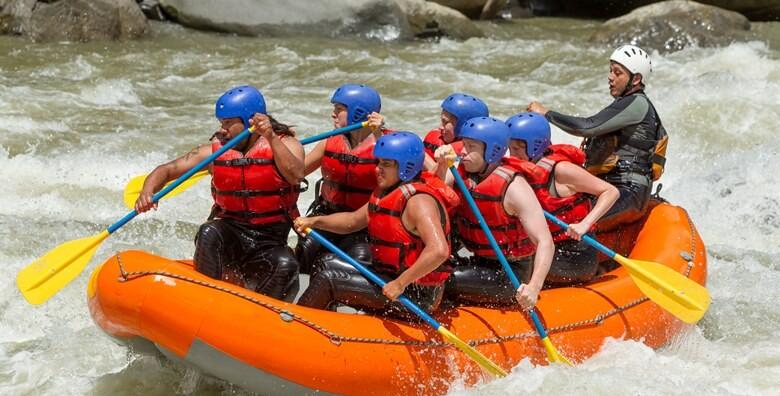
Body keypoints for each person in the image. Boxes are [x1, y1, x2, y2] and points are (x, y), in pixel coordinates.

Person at [134, 85, 305, 301]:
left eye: (228, 123)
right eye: (220, 123)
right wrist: (147, 191)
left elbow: (296, 174)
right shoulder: (216, 151)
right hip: (230, 233)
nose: (222, 130)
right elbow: (167, 170)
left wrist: (270, 136)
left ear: (250, 121)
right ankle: (202, 301)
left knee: (286, 265)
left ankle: (259, 321)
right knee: (209, 232)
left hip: (269, 240)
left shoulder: (286, 144)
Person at [294, 132, 459, 320]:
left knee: (329, 280)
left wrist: (400, 283)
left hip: (417, 294)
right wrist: (315, 222)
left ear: (407, 167)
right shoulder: (386, 192)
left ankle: (296, 325)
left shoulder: (418, 202)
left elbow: (439, 251)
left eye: (386, 164)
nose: (378, 169)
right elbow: (352, 221)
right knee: (325, 262)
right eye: (378, 162)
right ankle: (323, 324)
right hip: (389, 277)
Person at [527, 45, 668, 230]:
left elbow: (587, 127)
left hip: (627, 191)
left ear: (636, 79)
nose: (610, 77)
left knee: (566, 215)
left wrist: (546, 113)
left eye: (617, 73)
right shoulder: (624, 104)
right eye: (610, 71)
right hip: (612, 188)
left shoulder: (637, 104)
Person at [433, 117, 554, 310]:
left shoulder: (514, 188)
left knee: (438, 280)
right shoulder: (461, 170)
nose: (462, 152)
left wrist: (533, 287)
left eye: (471, 147)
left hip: (509, 275)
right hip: (478, 260)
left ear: (493, 151)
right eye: (463, 144)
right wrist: (440, 164)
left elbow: (545, 242)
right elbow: (434, 192)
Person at [506, 112, 619, 285]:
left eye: (516, 148)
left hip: (575, 255)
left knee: (520, 266)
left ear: (535, 146)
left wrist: (584, 224)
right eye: (509, 147)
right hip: (544, 248)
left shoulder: (561, 170)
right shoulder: (519, 170)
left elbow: (610, 192)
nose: (511, 154)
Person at [295, 84, 385, 274]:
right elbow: (295, 172)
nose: (333, 114)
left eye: (339, 109)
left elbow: (354, 222)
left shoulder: (385, 148)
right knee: (305, 250)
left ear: (358, 113)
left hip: (363, 230)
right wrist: (278, 142)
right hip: (327, 218)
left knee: (357, 260)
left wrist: (379, 133)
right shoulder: (330, 141)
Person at [422, 93, 489, 170]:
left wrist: (420, 154)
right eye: (441, 121)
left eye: (445, 122)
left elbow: (442, 178)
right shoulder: (436, 136)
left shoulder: (467, 151)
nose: (440, 127)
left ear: (462, 126)